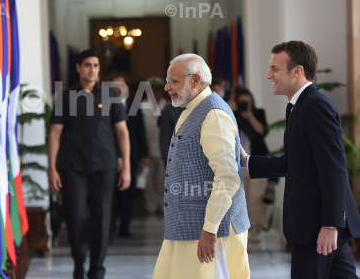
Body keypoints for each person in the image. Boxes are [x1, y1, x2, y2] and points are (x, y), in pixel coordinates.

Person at [241, 41, 360, 279]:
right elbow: (296, 163)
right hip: (314, 225)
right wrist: (247, 161)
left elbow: (334, 169)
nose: (268, 75)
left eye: (275, 69)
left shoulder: (315, 105)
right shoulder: (297, 107)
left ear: (297, 71)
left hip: (317, 226)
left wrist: (330, 224)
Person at [153, 54, 250, 279]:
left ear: (195, 80)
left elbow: (227, 177)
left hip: (212, 232)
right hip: (187, 228)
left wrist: (209, 229)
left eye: (173, 81)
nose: (167, 87)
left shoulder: (213, 114)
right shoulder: (191, 109)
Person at [48, 50, 131, 279]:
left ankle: (97, 270)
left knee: (103, 218)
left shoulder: (111, 96)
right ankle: (78, 262)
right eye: (87, 65)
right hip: (72, 166)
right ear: (78, 68)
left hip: (105, 167)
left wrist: (127, 168)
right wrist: (52, 168)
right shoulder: (65, 97)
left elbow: (122, 133)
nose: (92, 69)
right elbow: (54, 134)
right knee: (75, 217)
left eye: (95, 65)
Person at [110, 75, 148, 238]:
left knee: (128, 195)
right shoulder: (103, 104)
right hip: (109, 158)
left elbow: (141, 131)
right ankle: (109, 228)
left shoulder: (134, 105)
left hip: (131, 157)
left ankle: (124, 227)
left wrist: (144, 155)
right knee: (110, 195)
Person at [233, 87, 270, 243]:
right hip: (236, 165)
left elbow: (262, 131)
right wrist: (233, 111)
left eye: (248, 102)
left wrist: (249, 116)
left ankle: (255, 227)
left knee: (255, 197)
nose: (245, 105)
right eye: (242, 102)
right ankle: (242, 228)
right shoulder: (231, 115)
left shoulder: (258, 113)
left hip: (256, 162)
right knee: (240, 198)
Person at [140, 76, 168, 214]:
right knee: (149, 180)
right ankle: (150, 205)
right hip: (148, 149)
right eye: (152, 90)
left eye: (158, 90)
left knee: (163, 179)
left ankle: (163, 206)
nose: (155, 93)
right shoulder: (141, 106)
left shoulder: (169, 105)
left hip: (165, 149)